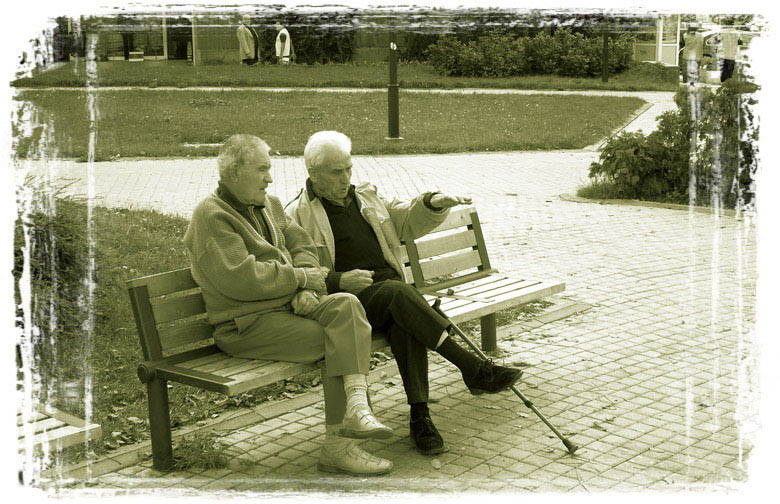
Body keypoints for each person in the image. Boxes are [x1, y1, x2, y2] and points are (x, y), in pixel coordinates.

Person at [287, 131, 524, 456]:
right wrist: (339, 280)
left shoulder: (366, 199)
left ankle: (420, 416)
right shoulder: (297, 215)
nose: (346, 178)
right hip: (350, 305)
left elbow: (405, 218)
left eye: (349, 168)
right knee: (400, 295)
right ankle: (471, 367)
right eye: (336, 172)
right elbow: (298, 273)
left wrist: (433, 203)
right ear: (313, 173)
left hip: (392, 299)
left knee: (404, 318)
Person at [184, 134, 393, 475]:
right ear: (234, 172)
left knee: (347, 304)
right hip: (245, 325)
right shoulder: (211, 216)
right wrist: (300, 280)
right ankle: (339, 447)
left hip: (284, 310)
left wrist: (305, 282)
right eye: (262, 169)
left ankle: (357, 406)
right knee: (339, 341)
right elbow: (243, 278)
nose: (270, 178)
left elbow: (303, 245)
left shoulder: (270, 204)